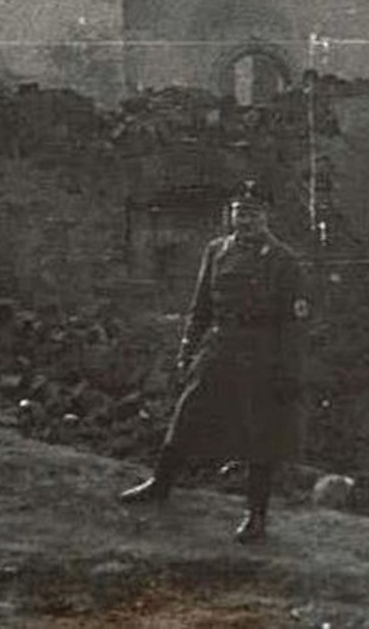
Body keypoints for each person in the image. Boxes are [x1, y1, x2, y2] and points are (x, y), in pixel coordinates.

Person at [118, 181, 310, 543]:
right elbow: (201, 305)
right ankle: (160, 484)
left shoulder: (284, 260)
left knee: (261, 433)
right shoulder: (216, 251)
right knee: (188, 412)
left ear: (266, 217)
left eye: (253, 213)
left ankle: (256, 515)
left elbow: (295, 324)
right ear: (231, 214)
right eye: (240, 212)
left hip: (263, 352)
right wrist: (188, 347)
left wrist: (289, 370)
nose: (245, 220)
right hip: (220, 345)